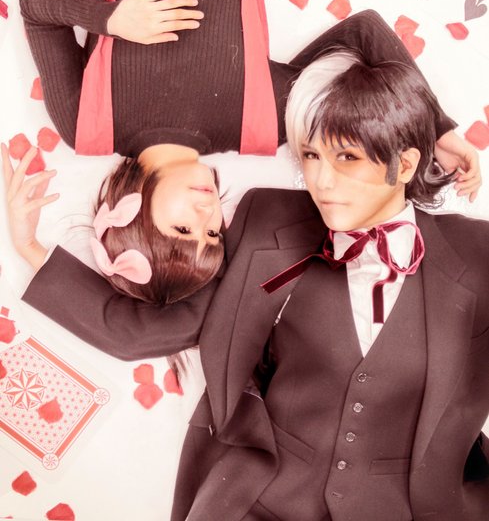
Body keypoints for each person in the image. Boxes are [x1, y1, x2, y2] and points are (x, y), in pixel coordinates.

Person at [5, 49, 488, 521]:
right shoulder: (267, 223)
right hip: (258, 498)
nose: (322, 181)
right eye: (311, 155)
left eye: (347, 157)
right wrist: (29, 247)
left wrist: (438, 126)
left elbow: (364, 28)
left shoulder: (477, 254)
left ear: (405, 165)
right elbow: (149, 331)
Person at [17, 0, 479, 305]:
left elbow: (37, 0)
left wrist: (110, 19)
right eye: (212, 233)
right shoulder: (259, 125)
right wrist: (436, 129)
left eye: (183, 228)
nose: (206, 214)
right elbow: (363, 32)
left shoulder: (88, 128)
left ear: (130, 215)